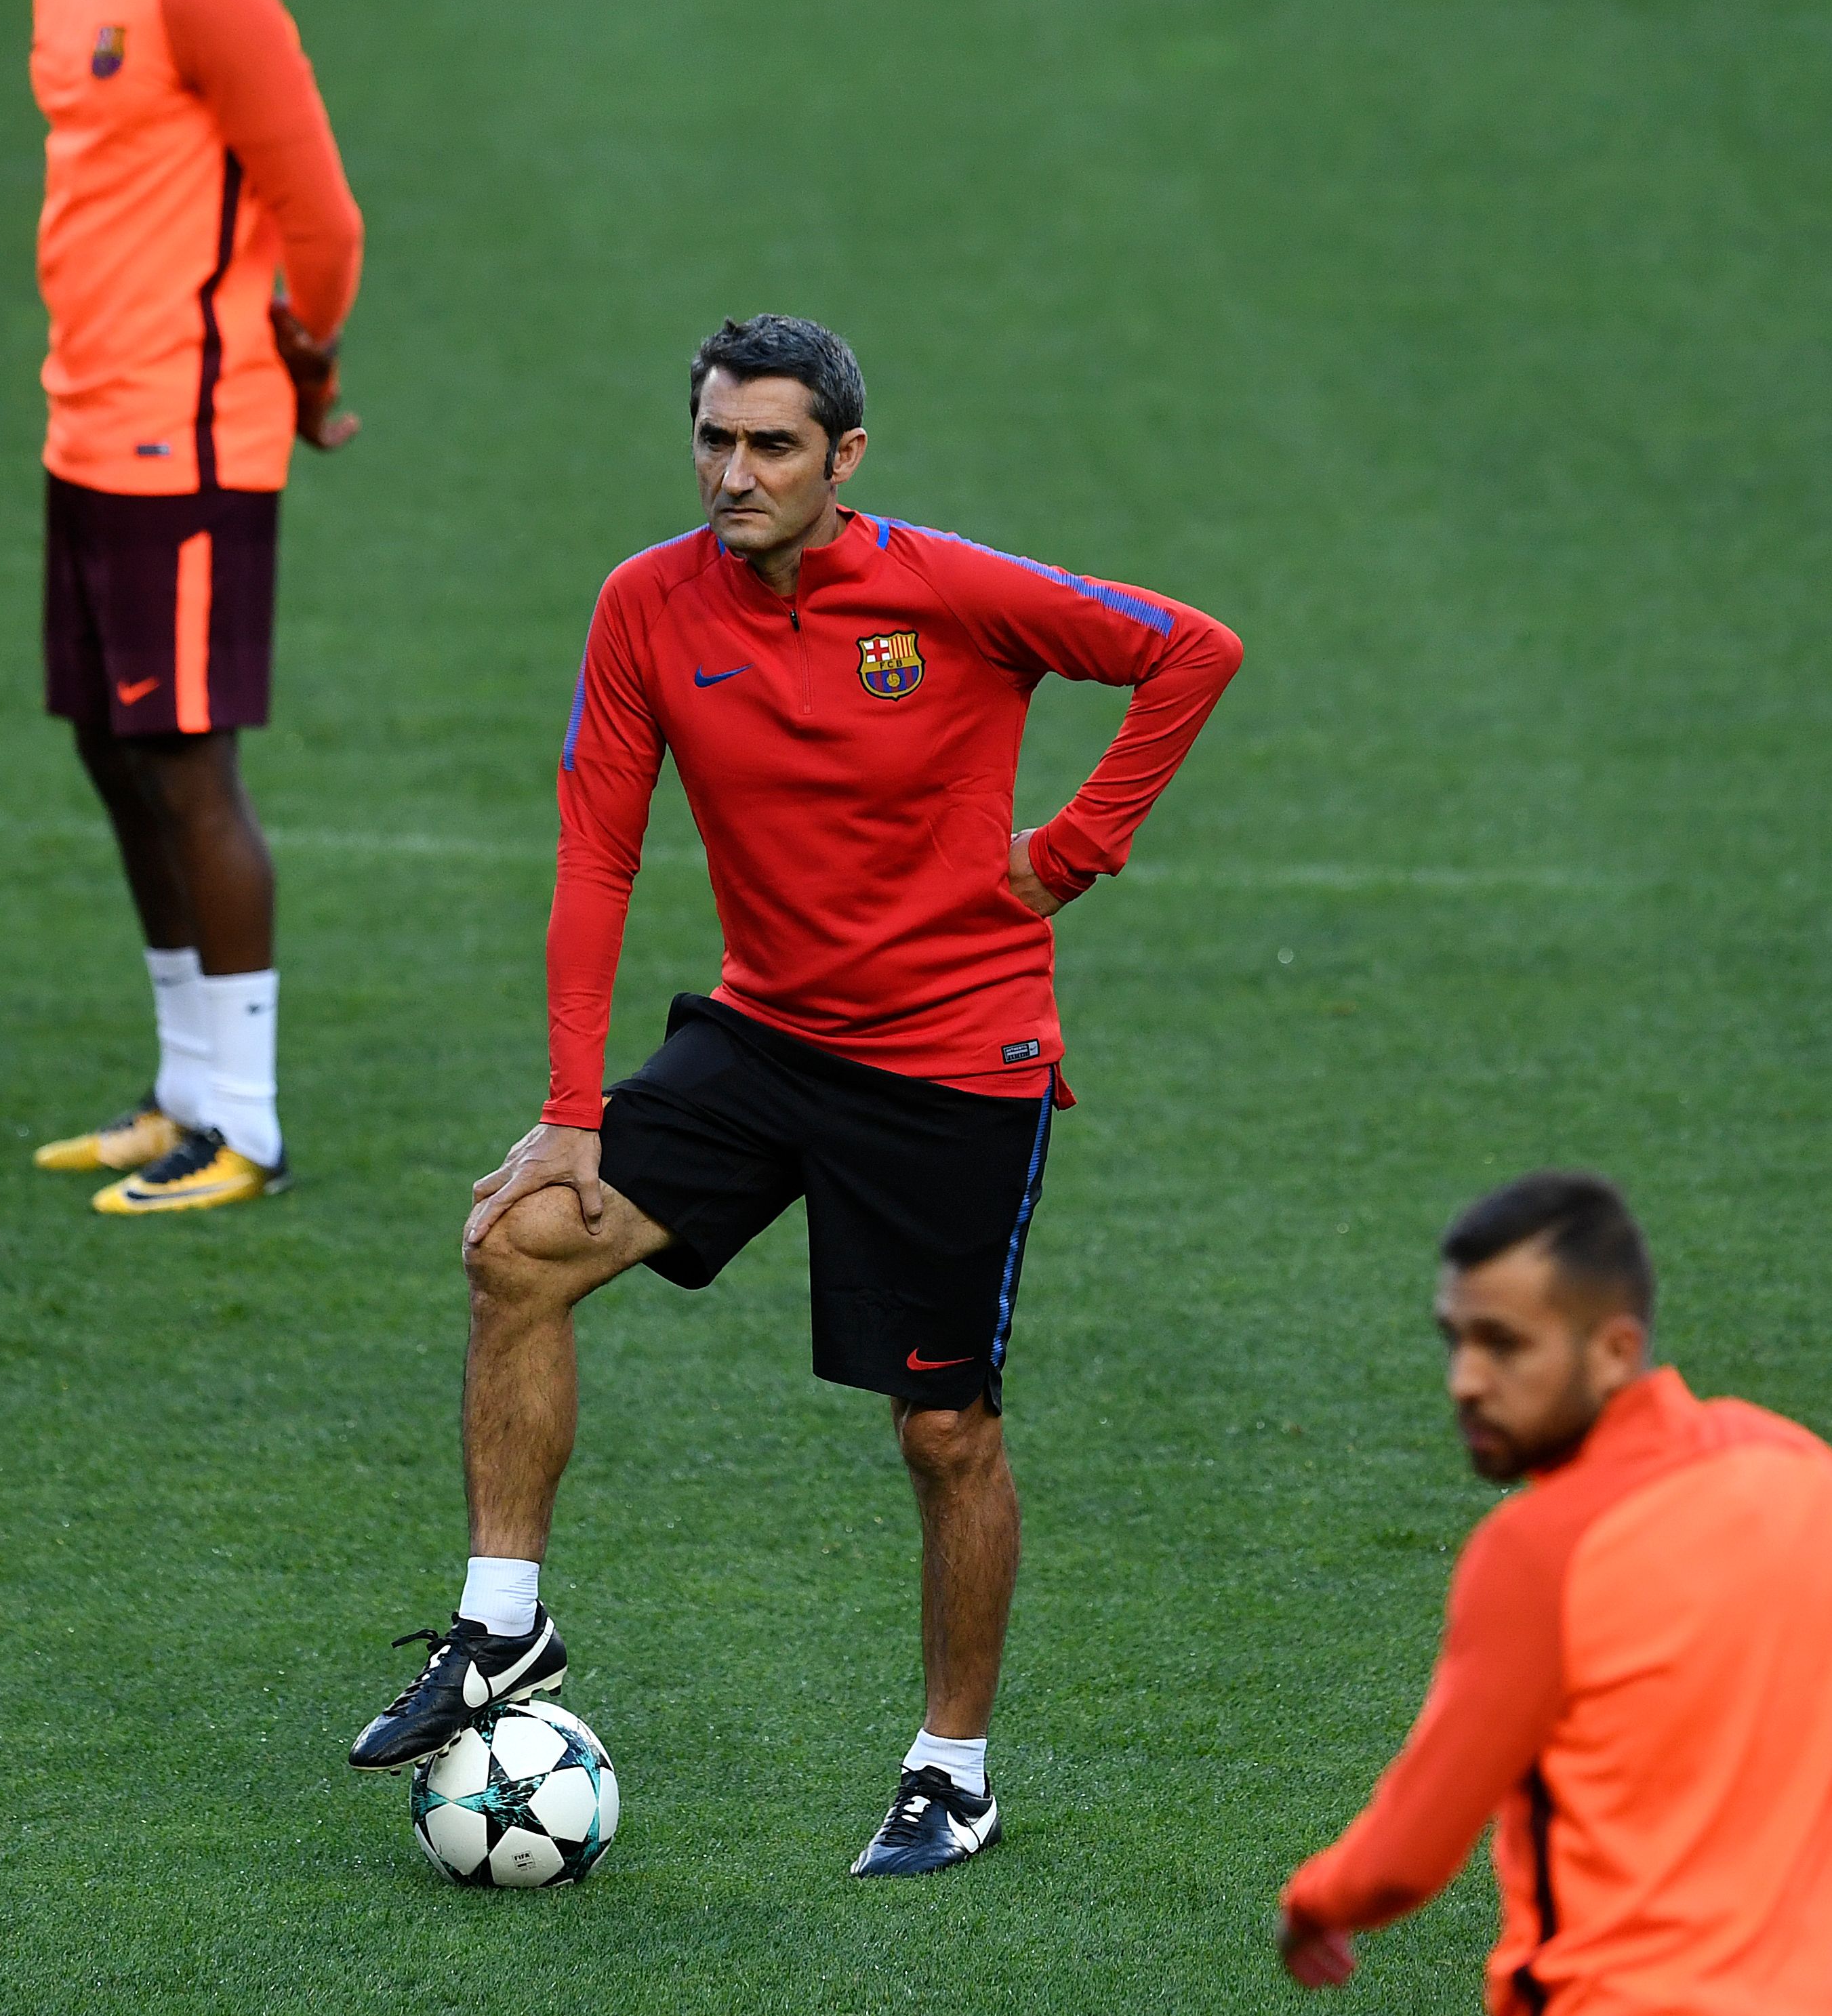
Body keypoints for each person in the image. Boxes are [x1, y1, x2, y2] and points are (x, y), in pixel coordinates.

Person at [344, 315, 1245, 1878]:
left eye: (770, 444)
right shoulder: (645, 605)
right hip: (765, 1038)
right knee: (518, 1244)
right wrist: (573, 1108)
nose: (734, 472)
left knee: (944, 1429)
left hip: (957, 1059)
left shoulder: (948, 588)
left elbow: (1191, 648)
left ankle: (952, 1772)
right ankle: (504, 1628)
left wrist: (1074, 850)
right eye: (714, 437)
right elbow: (597, 854)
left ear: (845, 456)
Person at [1278, 1173, 1832, 2016]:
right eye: (1453, 1339)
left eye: (1505, 1345)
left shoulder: (1540, 1550)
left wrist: (1316, 1901)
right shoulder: (1805, 1476)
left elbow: (1409, 1854)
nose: (1464, 1380)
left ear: (1616, 1349)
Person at [19, 0, 365, 1216]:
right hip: (85, 425)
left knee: (189, 765)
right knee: (111, 748)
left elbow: (322, 214)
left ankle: (253, 1126)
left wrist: (311, 362)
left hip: (191, 436)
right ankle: (182, 1093)